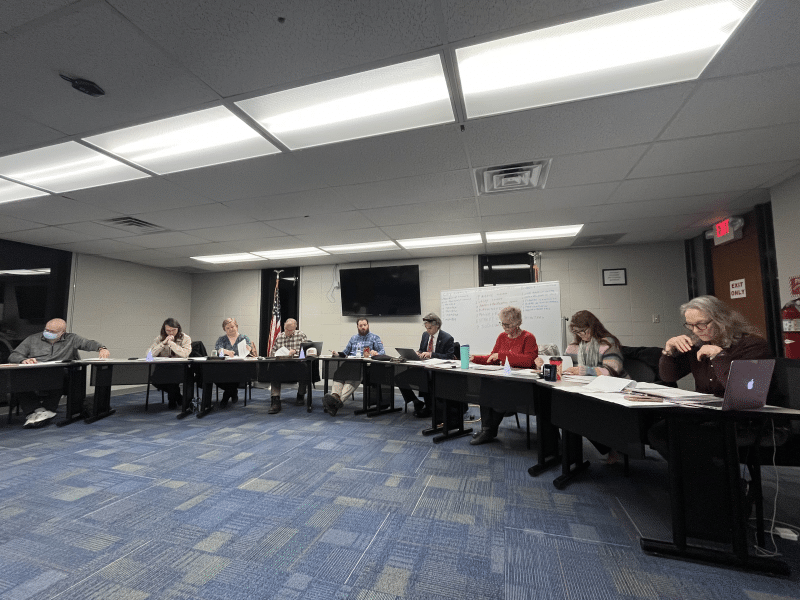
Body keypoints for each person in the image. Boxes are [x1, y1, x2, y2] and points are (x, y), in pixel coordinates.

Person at [649, 295, 772, 457]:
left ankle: (711, 479)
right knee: (659, 432)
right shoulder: (699, 344)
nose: (695, 330)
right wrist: (668, 352)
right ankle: (698, 479)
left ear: (722, 320)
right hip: (708, 413)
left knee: (688, 438)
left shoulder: (752, 345)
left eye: (701, 324)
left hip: (743, 418)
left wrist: (719, 357)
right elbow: (669, 377)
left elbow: (745, 393)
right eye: (690, 325)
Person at [8, 318, 110, 428]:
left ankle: (48, 409)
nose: (48, 333)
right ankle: (38, 410)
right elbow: (13, 355)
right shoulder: (32, 339)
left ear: (63, 332)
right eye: (47, 330)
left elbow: (88, 343)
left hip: (60, 375)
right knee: (16, 381)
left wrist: (101, 348)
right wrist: (23, 360)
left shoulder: (72, 338)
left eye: (53, 332)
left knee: (59, 376)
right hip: (36, 374)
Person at [563, 310, 628, 463]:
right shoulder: (575, 346)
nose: (581, 335)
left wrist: (585, 370)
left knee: (587, 415)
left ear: (593, 327)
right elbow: (570, 366)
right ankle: (606, 448)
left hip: (613, 389)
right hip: (587, 389)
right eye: (577, 332)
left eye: (584, 331)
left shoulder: (607, 343)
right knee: (570, 412)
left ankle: (614, 448)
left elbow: (612, 370)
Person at [470, 306, 538, 445]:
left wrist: (501, 355)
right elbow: (493, 358)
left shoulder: (528, 338)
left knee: (497, 389)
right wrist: (475, 358)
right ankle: (487, 428)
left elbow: (528, 361)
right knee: (486, 383)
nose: (504, 328)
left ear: (518, 323)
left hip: (521, 382)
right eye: (503, 324)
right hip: (504, 378)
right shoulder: (502, 337)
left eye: (508, 325)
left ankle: (489, 431)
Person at [397, 312, 455, 418]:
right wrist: (418, 353)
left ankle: (430, 408)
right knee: (400, 377)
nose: (428, 330)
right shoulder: (425, 335)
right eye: (426, 327)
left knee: (425, 378)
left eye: (430, 328)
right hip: (423, 366)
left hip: (437, 370)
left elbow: (449, 357)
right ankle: (415, 401)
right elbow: (422, 350)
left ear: (437, 325)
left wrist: (431, 354)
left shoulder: (447, 338)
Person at [322, 318, 384, 416]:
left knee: (353, 377)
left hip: (364, 366)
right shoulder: (353, 338)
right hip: (350, 363)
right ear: (357, 327)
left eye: (365, 325)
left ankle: (336, 402)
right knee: (338, 374)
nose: (363, 327)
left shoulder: (375, 338)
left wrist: (375, 353)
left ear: (368, 325)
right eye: (361, 326)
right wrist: (337, 353)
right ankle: (335, 397)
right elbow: (345, 352)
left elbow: (382, 352)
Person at [212, 317, 257, 408]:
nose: (230, 329)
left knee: (234, 375)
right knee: (215, 376)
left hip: (240, 367)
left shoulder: (243, 337)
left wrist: (249, 349)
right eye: (227, 328)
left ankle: (225, 397)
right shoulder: (221, 339)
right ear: (224, 329)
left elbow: (249, 349)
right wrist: (226, 352)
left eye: (232, 327)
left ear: (236, 326)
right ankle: (233, 392)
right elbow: (217, 352)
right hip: (224, 367)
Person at [148, 318, 191, 409]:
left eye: (173, 330)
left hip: (179, 367)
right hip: (163, 367)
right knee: (155, 381)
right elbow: (150, 355)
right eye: (168, 330)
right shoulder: (159, 338)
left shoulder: (185, 338)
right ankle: (178, 397)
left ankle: (172, 401)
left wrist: (171, 344)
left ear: (178, 328)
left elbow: (185, 354)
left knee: (172, 379)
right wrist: (163, 343)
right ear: (164, 329)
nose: (171, 333)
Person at [268, 318, 307, 414]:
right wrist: (277, 354)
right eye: (286, 329)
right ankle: (275, 399)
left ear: (295, 327)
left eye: (290, 330)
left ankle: (300, 395)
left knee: (305, 367)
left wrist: (295, 352)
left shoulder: (301, 335)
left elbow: (305, 351)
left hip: (297, 364)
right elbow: (272, 352)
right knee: (274, 368)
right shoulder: (280, 336)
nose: (287, 332)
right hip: (282, 364)